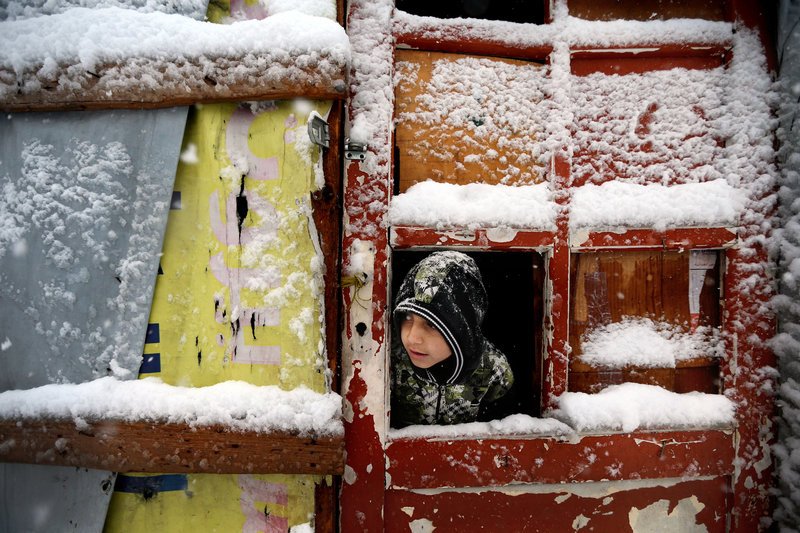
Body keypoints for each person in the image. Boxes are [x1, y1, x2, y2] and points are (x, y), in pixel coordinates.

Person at [390, 251, 514, 428]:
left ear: (462, 331)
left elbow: (502, 436)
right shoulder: (391, 362)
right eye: (407, 318)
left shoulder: (494, 370)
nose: (412, 338)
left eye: (431, 325)